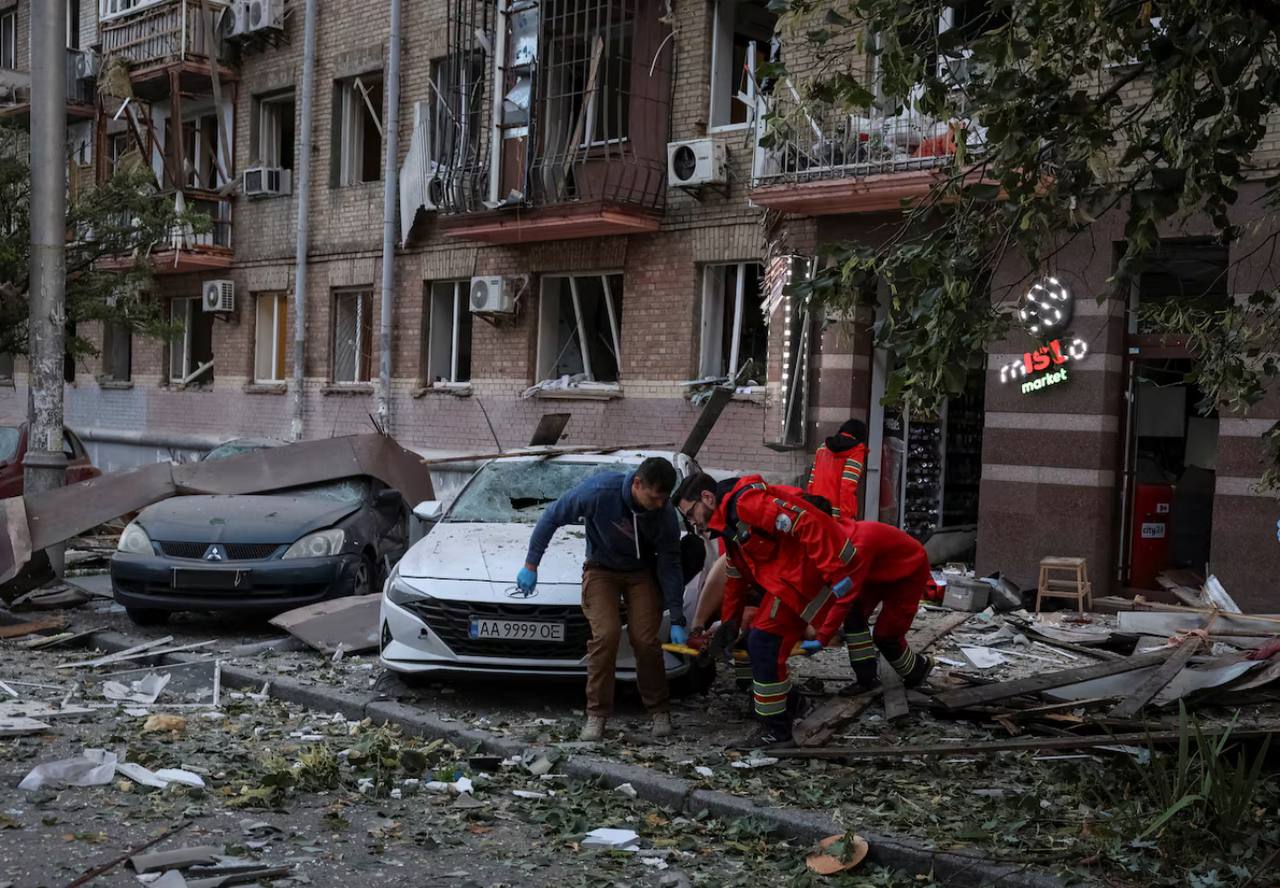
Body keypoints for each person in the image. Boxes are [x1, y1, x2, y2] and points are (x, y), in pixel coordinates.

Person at [675, 472, 858, 749]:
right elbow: (736, 577)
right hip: (791, 582)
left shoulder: (745, 505)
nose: (693, 522)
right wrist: (730, 625)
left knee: (762, 642)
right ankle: (789, 709)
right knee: (762, 644)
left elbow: (804, 522)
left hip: (802, 577)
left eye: (691, 513)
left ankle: (777, 729)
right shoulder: (730, 523)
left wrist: (835, 573)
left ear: (707, 498)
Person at [517, 457, 686, 742]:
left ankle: (659, 711)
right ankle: (596, 715)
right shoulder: (598, 493)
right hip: (601, 569)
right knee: (606, 635)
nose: (659, 504)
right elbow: (552, 516)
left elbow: (670, 562)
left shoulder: (664, 512)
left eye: (663, 499)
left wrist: (677, 615)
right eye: (654, 497)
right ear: (637, 484)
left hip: (641, 573)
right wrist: (531, 565)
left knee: (645, 639)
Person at [812, 518, 935, 695]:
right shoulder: (836, 535)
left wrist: (822, 637)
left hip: (908, 573)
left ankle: (918, 670)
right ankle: (866, 679)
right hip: (876, 570)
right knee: (854, 618)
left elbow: (844, 599)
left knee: (886, 636)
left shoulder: (857, 546)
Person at [807, 419, 869, 519]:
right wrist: (847, 519)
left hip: (816, 512)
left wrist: (809, 509)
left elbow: (811, 483)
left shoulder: (822, 448)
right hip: (837, 517)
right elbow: (847, 487)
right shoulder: (856, 451)